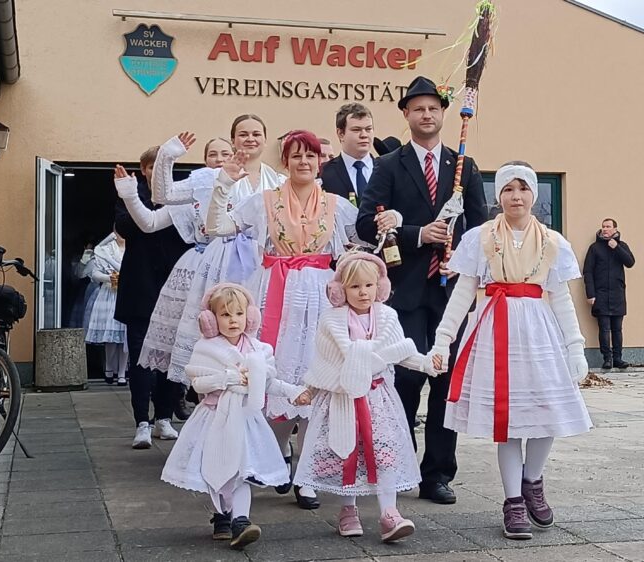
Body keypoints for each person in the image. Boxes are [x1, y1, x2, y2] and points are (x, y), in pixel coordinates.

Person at [429, 162, 592, 540]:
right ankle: (513, 500)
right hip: (494, 330)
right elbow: (463, 292)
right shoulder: (480, 237)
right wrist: (443, 338)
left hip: (538, 333)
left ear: (533, 195)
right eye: (507, 189)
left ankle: (532, 480)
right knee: (508, 420)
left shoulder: (552, 242)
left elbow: (562, 299)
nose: (515, 197)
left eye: (522, 189)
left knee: (544, 412)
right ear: (497, 196)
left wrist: (575, 346)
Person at [207, 130, 361, 510]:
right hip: (275, 290)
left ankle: (306, 476)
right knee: (275, 376)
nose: (304, 163)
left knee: (316, 379)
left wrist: (392, 217)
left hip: (320, 295)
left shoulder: (337, 205)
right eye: (295, 156)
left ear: (319, 161)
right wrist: (224, 183)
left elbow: (366, 236)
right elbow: (216, 227)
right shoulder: (263, 202)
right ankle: (277, 453)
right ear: (285, 162)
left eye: (310, 156)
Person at [356, 76, 488, 505]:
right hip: (406, 291)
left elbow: (480, 230)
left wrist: (461, 256)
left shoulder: (464, 166)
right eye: (418, 109)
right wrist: (417, 234)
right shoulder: (389, 165)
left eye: (433, 108)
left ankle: (438, 474)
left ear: (444, 114)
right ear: (406, 115)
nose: (426, 115)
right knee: (406, 380)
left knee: (447, 383)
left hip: (451, 294)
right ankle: (400, 465)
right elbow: (364, 224)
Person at [295, 252, 435, 542]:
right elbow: (326, 361)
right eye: (355, 286)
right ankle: (348, 510)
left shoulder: (387, 317)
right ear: (340, 290)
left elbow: (400, 351)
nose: (363, 292)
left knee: (384, 453)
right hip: (342, 398)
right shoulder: (332, 321)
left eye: (369, 286)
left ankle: (389, 512)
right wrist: (311, 388)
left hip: (378, 398)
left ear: (380, 287)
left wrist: (425, 363)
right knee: (346, 452)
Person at [161, 283, 311, 550]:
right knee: (216, 467)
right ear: (211, 320)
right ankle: (221, 515)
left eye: (238, 314)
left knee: (242, 471)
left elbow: (269, 382)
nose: (233, 321)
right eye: (225, 315)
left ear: (249, 317)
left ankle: (241, 520)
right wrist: (229, 378)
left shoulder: (259, 350)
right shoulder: (206, 348)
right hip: (213, 417)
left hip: (245, 420)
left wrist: (293, 392)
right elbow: (199, 384)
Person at [115, 136, 235, 418]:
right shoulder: (196, 192)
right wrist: (131, 195)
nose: (219, 158)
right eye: (213, 154)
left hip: (240, 271)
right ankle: (198, 415)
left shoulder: (254, 188)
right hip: (202, 271)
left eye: (225, 153)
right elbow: (150, 221)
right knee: (199, 346)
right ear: (205, 161)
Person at [164, 116, 286, 387]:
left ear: (265, 139)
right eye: (243, 134)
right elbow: (164, 195)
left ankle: (257, 387)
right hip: (224, 256)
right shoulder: (212, 175)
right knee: (221, 322)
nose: (250, 139)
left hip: (263, 258)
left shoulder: (278, 180)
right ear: (233, 140)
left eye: (256, 133)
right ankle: (216, 384)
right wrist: (167, 155)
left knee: (258, 324)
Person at [114, 146, 192, 449]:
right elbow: (123, 228)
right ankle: (141, 422)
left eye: (163, 165)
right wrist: (133, 198)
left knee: (173, 357)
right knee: (140, 357)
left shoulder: (183, 194)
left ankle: (163, 418)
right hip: (140, 286)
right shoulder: (130, 193)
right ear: (144, 169)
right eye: (151, 166)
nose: (156, 171)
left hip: (174, 285)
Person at [583, 218, 635, 370]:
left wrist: (616, 247)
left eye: (608, 227)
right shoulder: (594, 248)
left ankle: (618, 358)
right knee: (604, 329)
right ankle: (607, 359)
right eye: (603, 226)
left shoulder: (621, 245)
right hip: (600, 295)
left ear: (615, 229)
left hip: (617, 295)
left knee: (617, 329)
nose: (605, 229)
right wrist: (590, 294)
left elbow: (630, 262)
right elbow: (588, 271)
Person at [84, 230, 127, 386]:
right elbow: (94, 273)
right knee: (110, 336)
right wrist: (109, 277)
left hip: (126, 294)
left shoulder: (134, 247)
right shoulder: (105, 249)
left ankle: (122, 372)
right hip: (109, 292)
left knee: (125, 336)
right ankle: (109, 368)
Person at [320, 103, 375, 207]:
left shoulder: (387, 169)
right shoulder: (324, 173)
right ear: (340, 133)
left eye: (368, 129)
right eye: (356, 130)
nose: (364, 135)